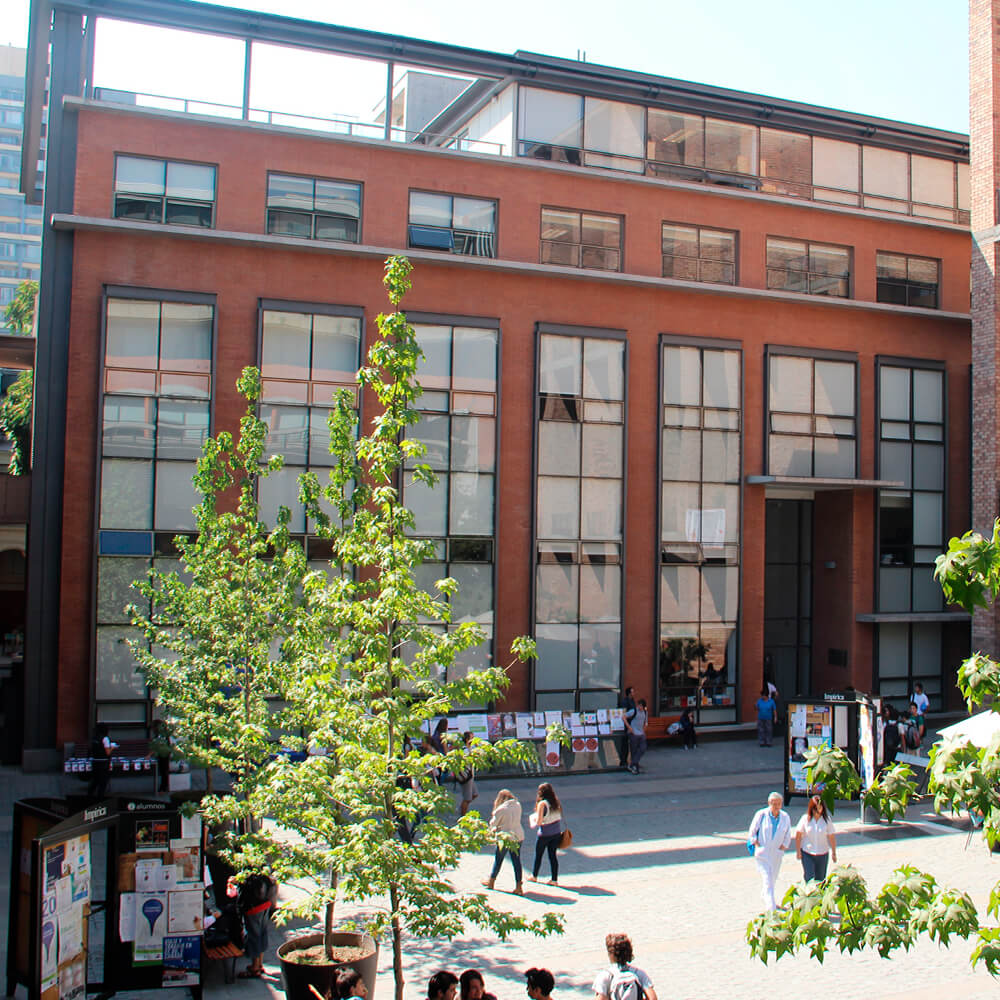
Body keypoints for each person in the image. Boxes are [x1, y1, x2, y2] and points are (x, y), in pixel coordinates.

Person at [748, 791, 792, 911]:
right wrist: (757, 845)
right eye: (774, 803)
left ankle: (766, 896)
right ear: (769, 803)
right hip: (763, 853)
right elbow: (752, 831)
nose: (776, 806)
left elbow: (788, 834)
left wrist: (783, 847)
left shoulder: (785, 817)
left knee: (773, 877)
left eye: (779, 803)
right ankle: (771, 907)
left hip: (776, 853)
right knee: (767, 878)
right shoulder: (761, 814)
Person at [481, 788, 524, 894]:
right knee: (516, 861)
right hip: (518, 835)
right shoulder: (517, 805)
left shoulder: (501, 809)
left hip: (504, 837)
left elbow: (493, 824)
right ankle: (519, 886)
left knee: (498, 860)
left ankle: (491, 881)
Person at [592, 933, 658, 1000]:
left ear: (611, 954)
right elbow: (653, 998)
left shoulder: (605, 976)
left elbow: (600, 998)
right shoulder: (639, 973)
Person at [237, 872, 278, 978]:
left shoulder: (248, 871)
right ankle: (259, 964)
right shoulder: (261, 868)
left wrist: (237, 880)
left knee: (254, 935)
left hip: (253, 906)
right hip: (265, 902)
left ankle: (255, 968)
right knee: (261, 932)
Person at [795, 794, 838, 882]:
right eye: (816, 808)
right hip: (807, 852)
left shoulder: (826, 820)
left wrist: (834, 852)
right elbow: (798, 835)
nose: (818, 810)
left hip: (822, 853)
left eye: (820, 807)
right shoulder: (805, 819)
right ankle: (809, 894)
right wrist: (798, 851)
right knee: (809, 878)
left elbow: (831, 836)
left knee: (820, 879)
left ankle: (820, 895)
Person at [529, 782, 563, 885]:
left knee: (538, 855)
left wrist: (532, 819)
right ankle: (554, 880)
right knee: (553, 856)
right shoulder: (556, 802)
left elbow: (539, 822)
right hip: (556, 832)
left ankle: (534, 876)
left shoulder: (542, 804)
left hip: (545, 834)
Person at [87, 723, 115, 799]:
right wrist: (112, 747)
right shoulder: (105, 739)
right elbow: (108, 752)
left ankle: (89, 796)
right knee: (103, 783)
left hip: (95, 762)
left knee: (95, 781)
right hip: (103, 763)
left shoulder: (94, 738)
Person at [456, 731, 478, 817]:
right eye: (472, 738)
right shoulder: (465, 750)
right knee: (467, 798)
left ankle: (463, 808)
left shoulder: (469, 748)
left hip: (470, 775)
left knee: (474, 794)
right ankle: (463, 815)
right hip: (466, 776)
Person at [150, 718, 172, 793]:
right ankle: (164, 787)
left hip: (163, 754)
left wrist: (149, 755)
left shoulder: (160, 735)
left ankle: (163, 788)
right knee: (164, 771)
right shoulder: (164, 733)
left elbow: (158, 745)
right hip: (165, 753)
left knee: (163, 771)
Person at [627, 698, 648, 774]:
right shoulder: (634, 711)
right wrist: (629, 727)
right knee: (634, 750)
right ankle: (635, 766)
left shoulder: (645, 712)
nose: (639, 707)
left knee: (643, 748)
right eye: (639, 705)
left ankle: (632, 764)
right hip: (633, 733)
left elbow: (646, 723)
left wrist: (643, 731)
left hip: (641, 733)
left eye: (641, 706)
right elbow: (623, 717)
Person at [618, 686, 637, 768]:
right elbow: (623, 712)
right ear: (629, 693)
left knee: (630, 744)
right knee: (624, 744)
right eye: (632, 692)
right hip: (626, 725)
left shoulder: (632, 701)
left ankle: (629, 760)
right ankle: (623, 760)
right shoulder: (625, 702)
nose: (634, 693)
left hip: (631, 725)